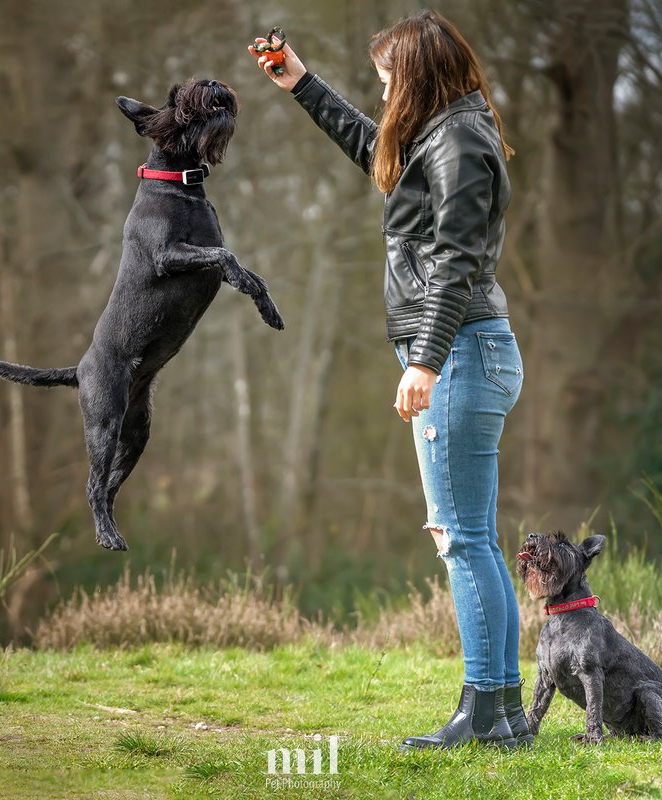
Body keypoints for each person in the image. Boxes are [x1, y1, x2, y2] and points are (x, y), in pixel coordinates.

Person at [250, 11, 530, 750]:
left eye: (386, 81)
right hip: (467, 349)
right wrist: (301, 83)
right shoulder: (443, 134)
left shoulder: (459, 143)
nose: (381, 94)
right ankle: (502, 714)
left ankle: (484, 714)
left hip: (458, 351)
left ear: (416, 78)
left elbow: (456, 260)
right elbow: (375, 151)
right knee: (475, 540)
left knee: (460, 539)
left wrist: (425, 362)